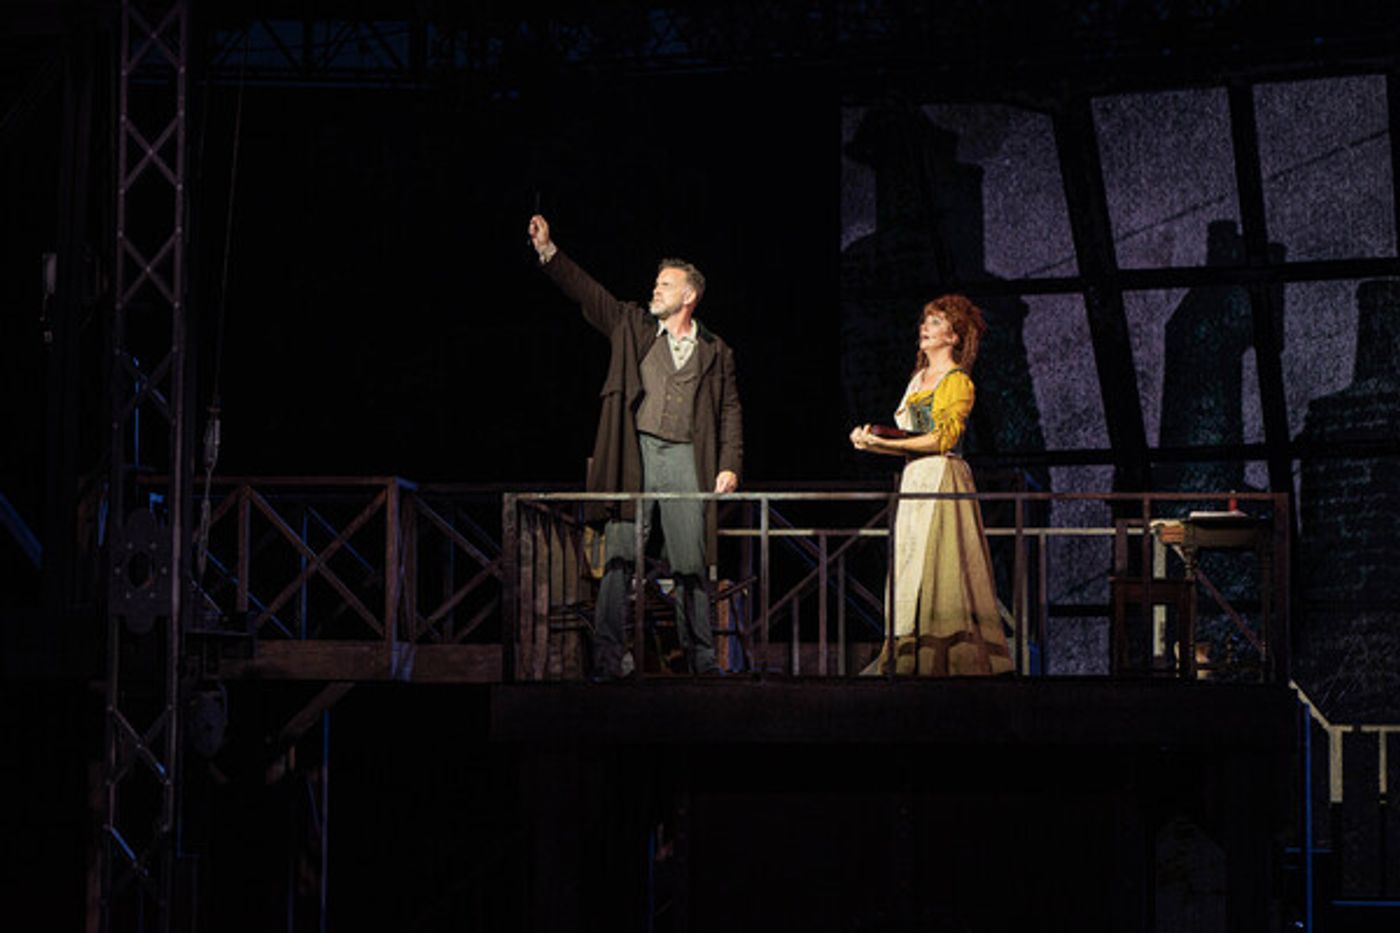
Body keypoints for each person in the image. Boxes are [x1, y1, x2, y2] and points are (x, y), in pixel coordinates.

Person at [527, 214, 743, 678]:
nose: (656, 290)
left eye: (666, 285)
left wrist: (729, 464)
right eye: (656, 284)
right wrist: (550, 252)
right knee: (622, 553)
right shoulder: (634, 325)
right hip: (637, 452)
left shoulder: (715, 350)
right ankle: (609, 656)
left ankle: (703, 659)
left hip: (687, 455)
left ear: (690, 295)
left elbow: (729, 410)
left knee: (691, 562)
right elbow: (590, 294)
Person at [849, 295, 1013, 676]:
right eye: (926, 321)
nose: (926, 328)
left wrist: (884, 443)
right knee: (910, 560)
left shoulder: (958, 382)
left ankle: (946, 655)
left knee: (941, 563)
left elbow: (941, 438)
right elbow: (909, 434)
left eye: (937, 323)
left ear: (955, 336)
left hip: (941, 475)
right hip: (914, 475)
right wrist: (873, 441)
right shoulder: (917, 380)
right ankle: (907, 649)